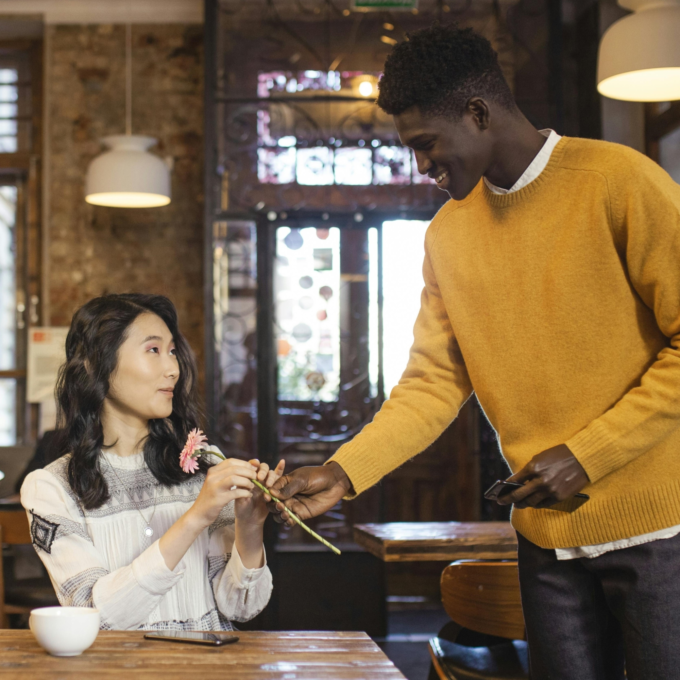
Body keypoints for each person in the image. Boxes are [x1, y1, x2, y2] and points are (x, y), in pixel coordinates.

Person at [268, 23, 680, 680]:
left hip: (662, 535)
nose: (421, 166)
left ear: (478, 112)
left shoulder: (620, 181)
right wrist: (346, 472)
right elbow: (433, 382)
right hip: (545, 543)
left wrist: (586, 455)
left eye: (426, 145)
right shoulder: (447, 236)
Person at [21, 294, 284, 631]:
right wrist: (194, 518)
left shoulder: (204, 464)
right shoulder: (51, 488)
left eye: (172, 351)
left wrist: (250, 525)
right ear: (94, 363)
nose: (173, 369)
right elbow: (97, 618)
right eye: (153, 350)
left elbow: (240, 608)